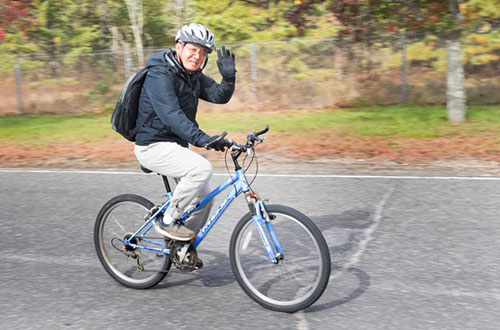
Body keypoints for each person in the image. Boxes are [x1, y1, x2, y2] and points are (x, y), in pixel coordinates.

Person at [134, 23, 236, 242]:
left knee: (205, 197)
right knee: (202, 169)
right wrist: (204, 139)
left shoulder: (193, 77)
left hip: (176, 147)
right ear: (178, 47)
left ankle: (182, 248)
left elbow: (219, 96)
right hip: (152, 145)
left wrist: (229, 79)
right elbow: (171, 115)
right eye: (193, 49)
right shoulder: (159, 74)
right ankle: (167, 222)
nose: (197, 56)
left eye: (202, 52)